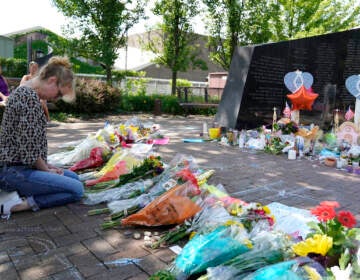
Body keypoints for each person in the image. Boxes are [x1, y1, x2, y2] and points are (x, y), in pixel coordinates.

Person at [0, 56, 83, 219]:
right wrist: (47, 170)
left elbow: (30, 145)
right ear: (52, 80)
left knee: (74, 178)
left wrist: (48, 166)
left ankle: (19, 196)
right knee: (76, 190)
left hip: (20, 167)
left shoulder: (27, 93)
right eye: (59, 93)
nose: (56, 98)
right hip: (13, 171)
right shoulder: (27, 97)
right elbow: (29, 151)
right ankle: (15, 205)